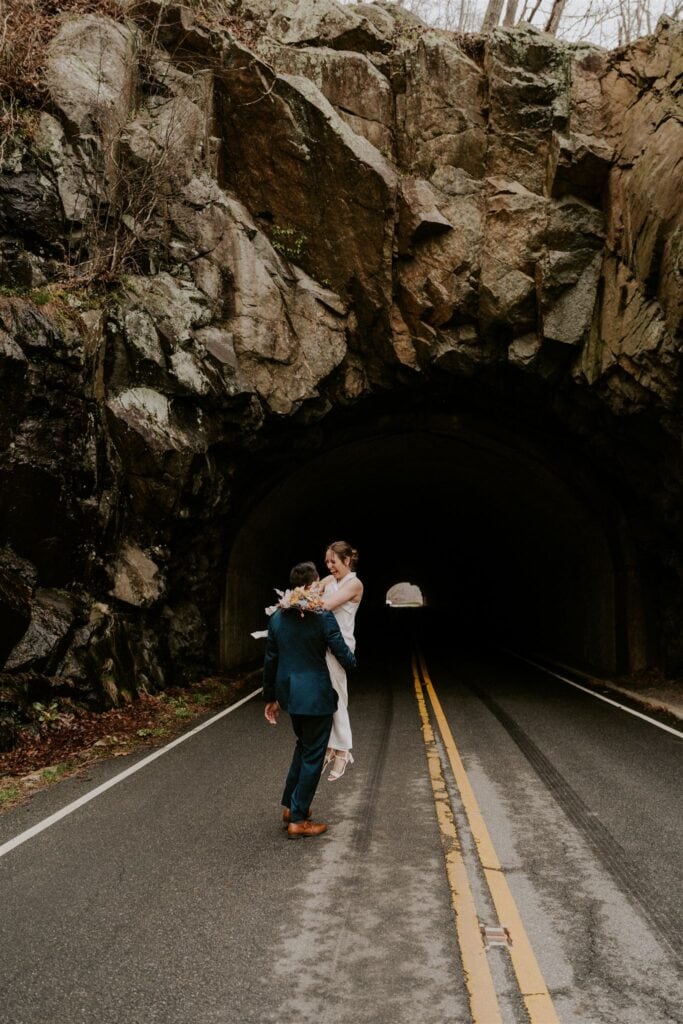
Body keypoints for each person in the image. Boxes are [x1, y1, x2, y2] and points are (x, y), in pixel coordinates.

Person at [263, 560, 356, 839]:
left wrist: (271, 698)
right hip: (316, 696)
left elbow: (271, 660)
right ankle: (299, 819)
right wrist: (351, 661)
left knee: (302, 748)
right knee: (314, 754)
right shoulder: (320, 614)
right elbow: (342, 653)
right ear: (311, 584)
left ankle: (291, 808)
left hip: (291, 696)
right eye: (317, 583)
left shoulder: (277, 617)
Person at [318, 541, 363, 781]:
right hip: (322, 644)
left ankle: (343, 751)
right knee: (327, 695)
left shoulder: (354, 584)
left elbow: (326, 605)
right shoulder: (330, 580)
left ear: (347, 561)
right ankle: (330, 747)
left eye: (333, 561)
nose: (329, 566)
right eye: (327, 561)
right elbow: (310, 590)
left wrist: (301, 602)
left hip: (340, 644)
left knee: (338, 694)